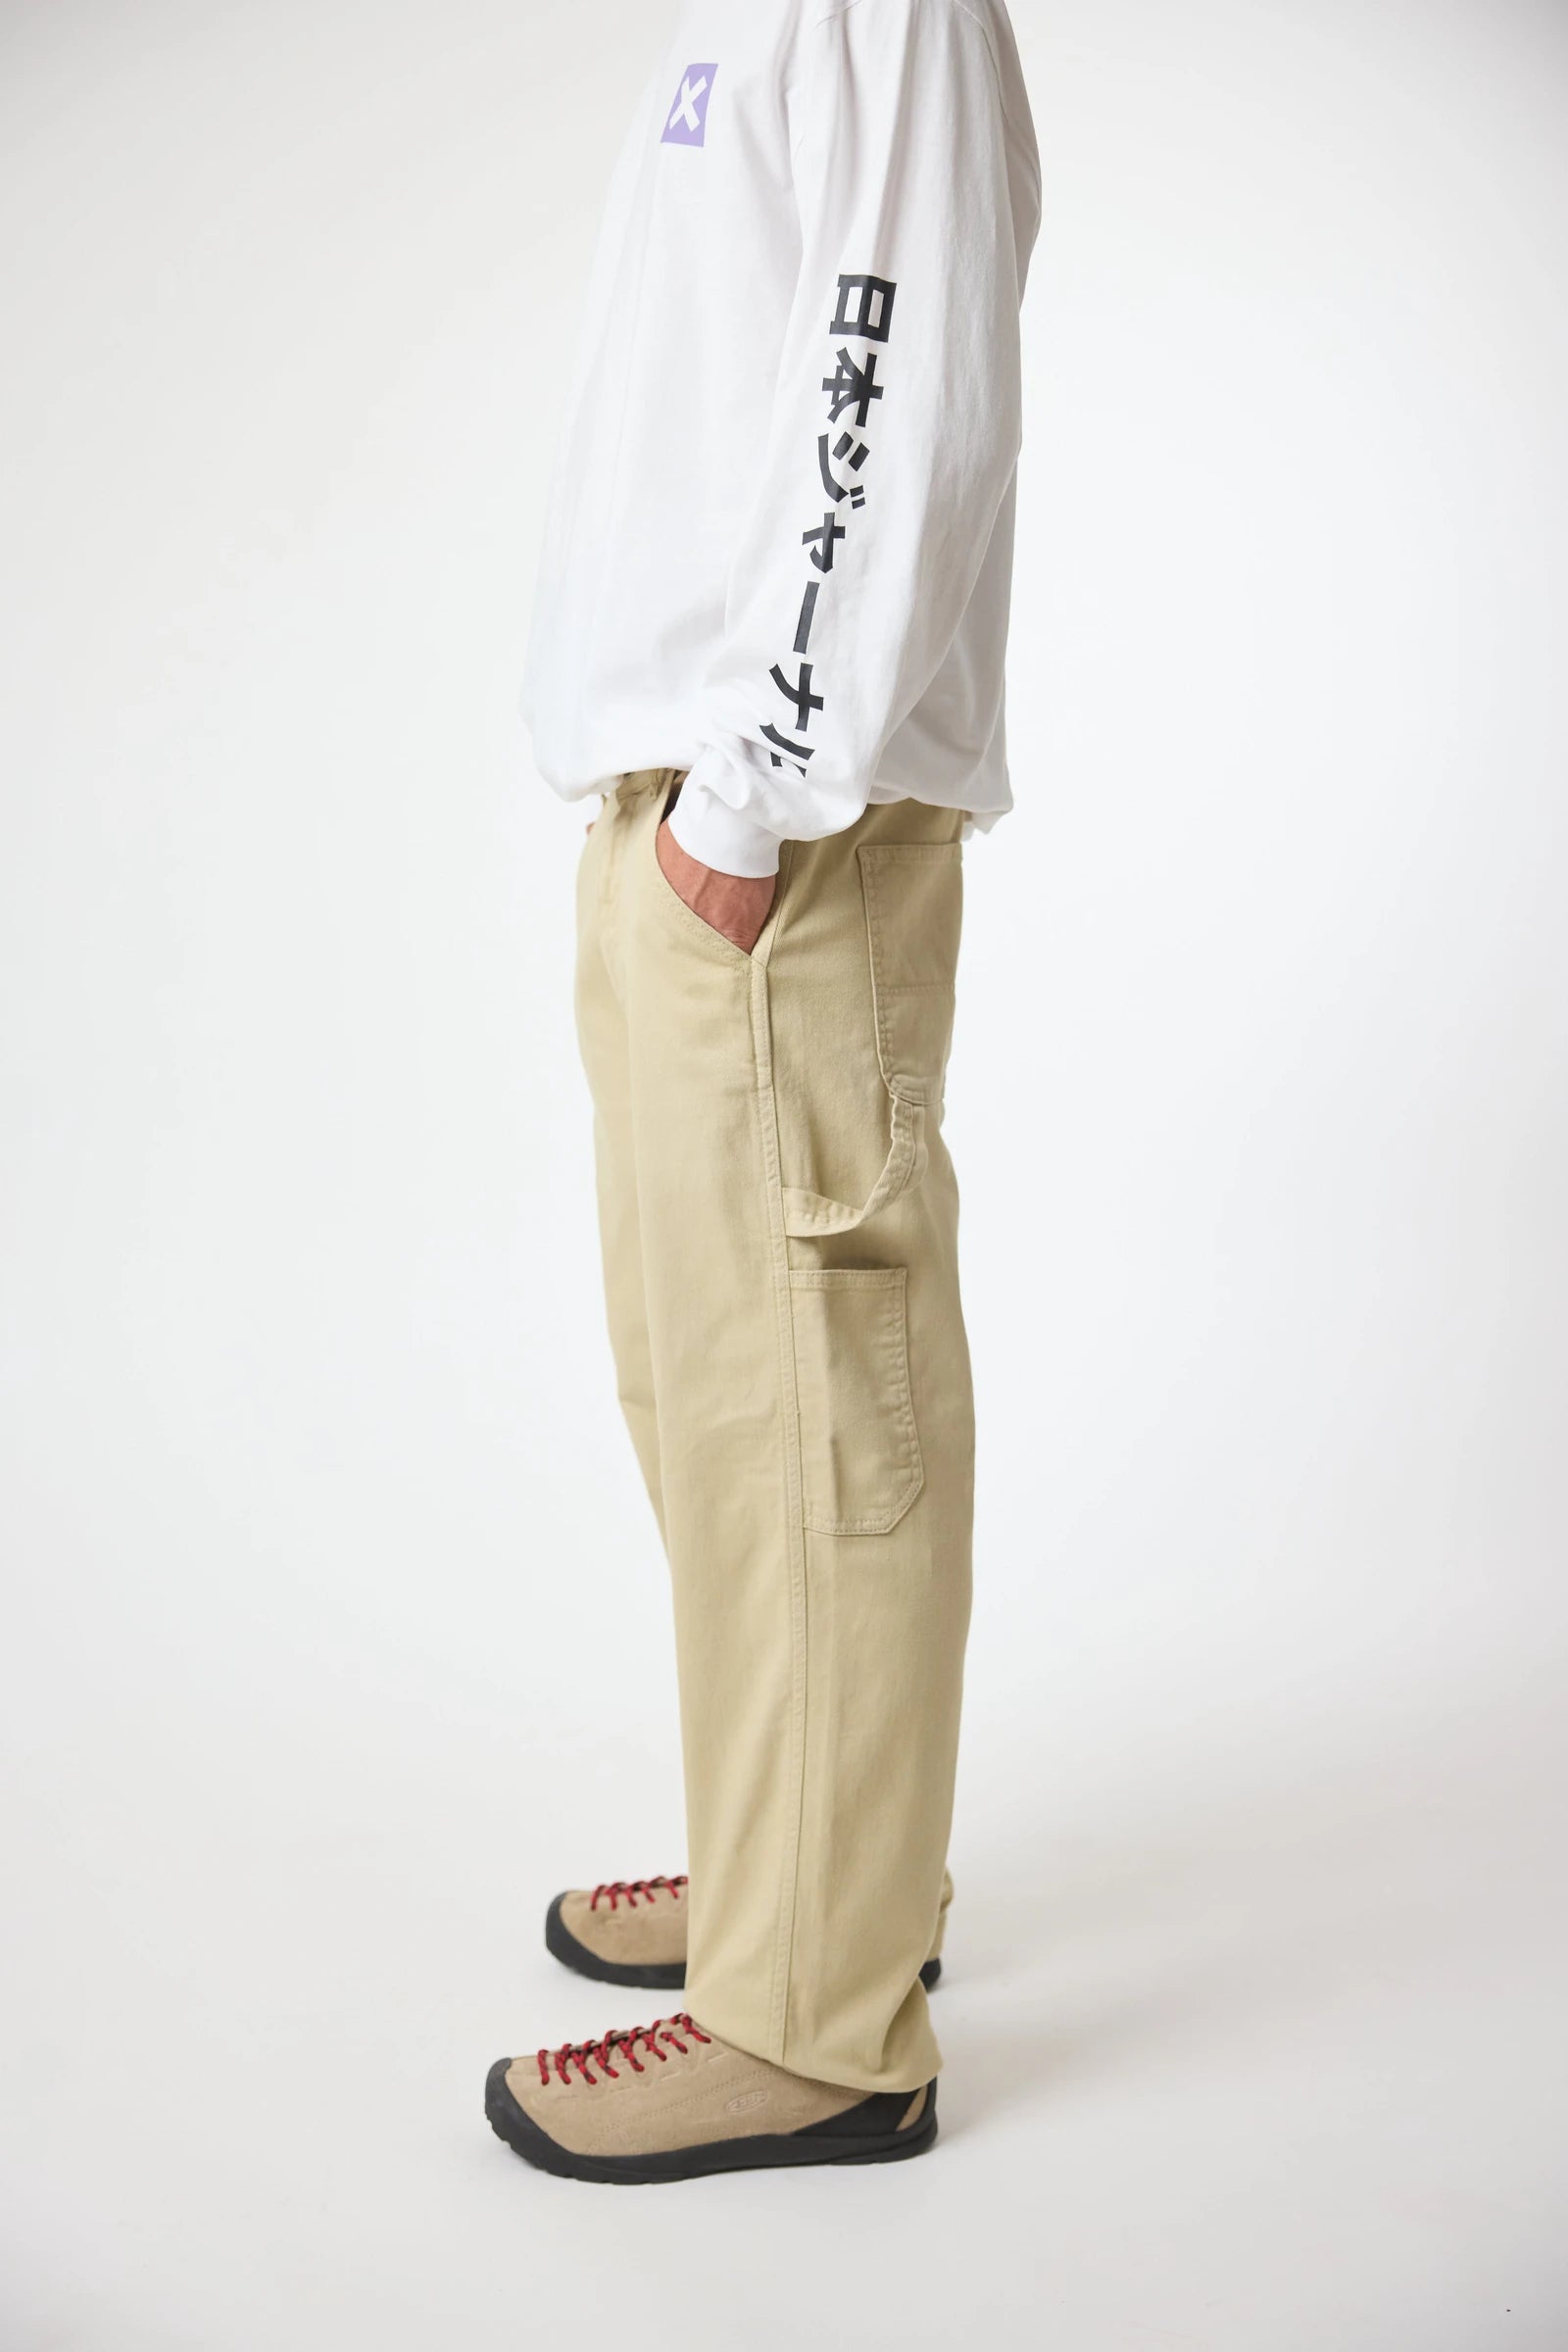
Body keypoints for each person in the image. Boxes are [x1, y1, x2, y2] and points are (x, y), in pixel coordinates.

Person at [485, 0, 1040, 2184]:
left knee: (813, 1415)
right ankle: (806, 1863)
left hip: (774, 833)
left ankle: (816, 2023)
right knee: (720, 1405)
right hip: (680, 813)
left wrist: (752, 794)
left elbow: (891, 380)